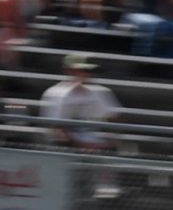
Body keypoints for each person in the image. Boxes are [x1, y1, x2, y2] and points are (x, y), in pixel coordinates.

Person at [39, 53, 120, 196]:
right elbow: (57, 131)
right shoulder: (55, 93)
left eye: (87, 70)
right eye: (79, 70)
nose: (84, 74)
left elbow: (115, 119)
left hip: (94, 145)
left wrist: (109, 141)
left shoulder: (100, 93)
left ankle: (103, 191)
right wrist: (85, 145)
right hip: (64, 147)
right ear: (68, 70)